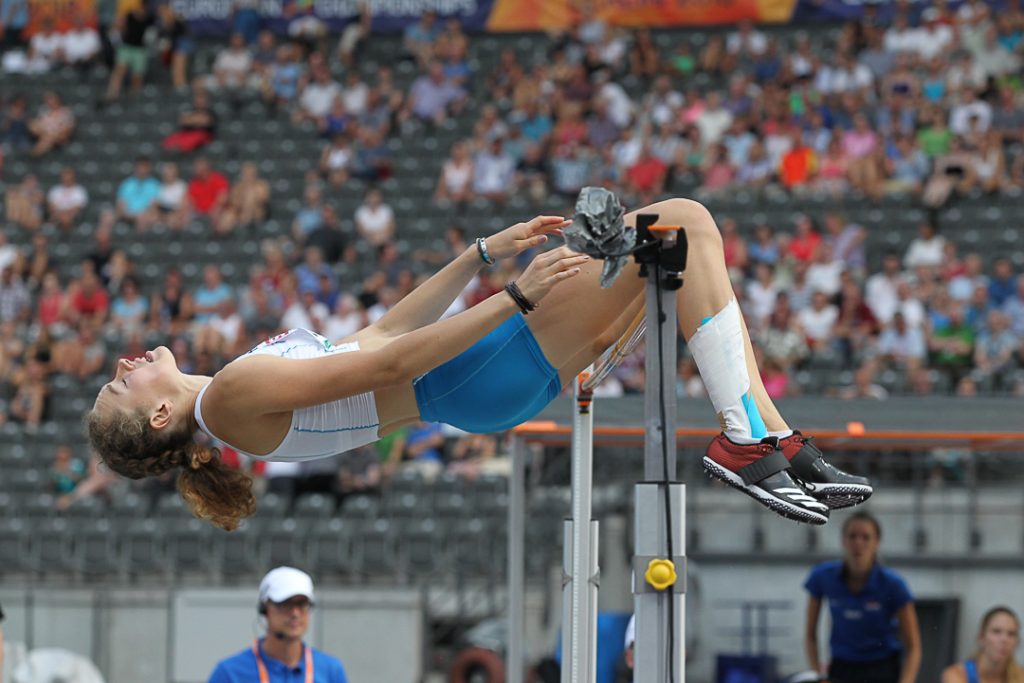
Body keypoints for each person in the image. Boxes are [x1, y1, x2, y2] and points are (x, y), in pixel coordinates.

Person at [87, 197, 870, 531]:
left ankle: (771, 435)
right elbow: (387, 363)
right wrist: (512, 297)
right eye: (123, 382)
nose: (127, 361)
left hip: (474, 379)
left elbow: (384, 328)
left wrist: (481, 252)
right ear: (159, 417)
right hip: (468, 368)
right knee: (686, 223)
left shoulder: (233, 394)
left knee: (681, 242)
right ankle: (744, 436)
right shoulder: (227, 397)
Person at [803, 512, 922, 683]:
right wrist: (817, 674)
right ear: (843, 540)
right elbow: (810, 635)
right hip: (842, 667)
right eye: (852, 536)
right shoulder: (823, 577)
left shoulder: (893, 584)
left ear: (877, 543)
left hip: (882, 667)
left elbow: (914, 647)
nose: (858, 543)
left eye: (866, 537)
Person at [207, 567, 348, 683]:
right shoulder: (230, 673)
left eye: (302, 604)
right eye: (285, 603)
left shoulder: (331, 671)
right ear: (264, 609)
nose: (295, 613)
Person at [941, 606, 1022, 683]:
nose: (1004, 639)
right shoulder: (957, 674)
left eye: (1011, 634)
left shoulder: (1020, 676)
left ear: (1017, 642)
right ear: (981, 637)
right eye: (996, 631)